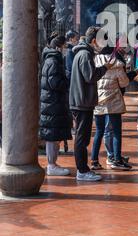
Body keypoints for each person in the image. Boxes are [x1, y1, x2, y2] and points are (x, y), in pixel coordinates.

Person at [69, 26, 113, 182]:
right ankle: (82, 170)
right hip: (82, 102)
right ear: (94, 40)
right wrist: (104, 68)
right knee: (81, 138)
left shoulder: (83, 53)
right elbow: (90, 76)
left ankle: (83, 169)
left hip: (82, 101)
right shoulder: (85, 54)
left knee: (83, 137)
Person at [91, 43, 131, 171]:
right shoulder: (117, 64)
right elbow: (124, 83)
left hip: (98, 101)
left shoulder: (94, 62)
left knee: (99, 132)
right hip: (113, 101)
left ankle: (94, 161)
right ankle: (117, 160)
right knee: (116, 132)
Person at [39, 33, 72, 176]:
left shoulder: (52, 59)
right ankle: (51, 165)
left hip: (53, 103)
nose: (66, 49)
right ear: (59, 47)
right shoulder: (53, 60)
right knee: (52, 136)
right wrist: (68, 80)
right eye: (65, 46)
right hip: (52, 104)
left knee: (54, 135)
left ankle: (53, 163)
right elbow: (54, 83)